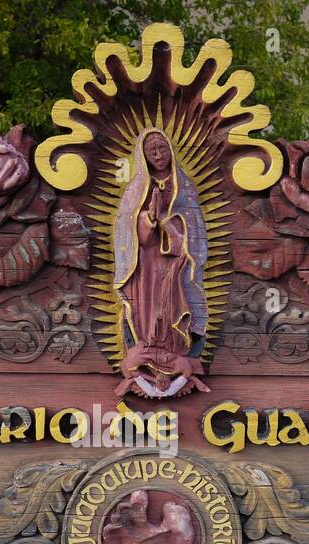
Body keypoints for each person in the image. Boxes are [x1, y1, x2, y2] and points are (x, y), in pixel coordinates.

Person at [112, 128, 210, 398]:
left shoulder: (184, 185)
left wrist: (175, 229)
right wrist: (148, 219)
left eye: (162, 148)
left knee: (174, 304)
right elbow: (125, 230)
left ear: (171, 150)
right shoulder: (136, 187)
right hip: (146, 263)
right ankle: (148, 348)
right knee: (149, 307)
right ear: (143, 155)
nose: (158, 155)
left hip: (178, 262)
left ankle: (176, 349)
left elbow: (195, 224)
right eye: (152, 150)